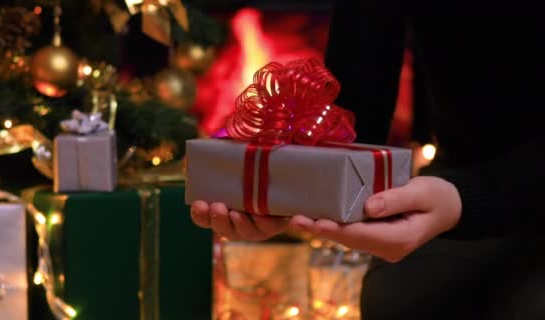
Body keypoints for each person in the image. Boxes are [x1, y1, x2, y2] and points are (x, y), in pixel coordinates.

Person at [191, 0, 545, 319]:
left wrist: (465, 200)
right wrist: (291, 186)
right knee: (401, 298)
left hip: (482, 187)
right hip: (465, 171)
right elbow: (355, 113)